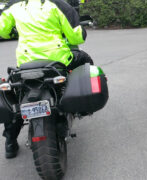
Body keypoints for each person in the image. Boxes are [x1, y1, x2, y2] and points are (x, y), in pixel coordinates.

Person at [0, 0, 93, 158]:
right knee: (86, 61)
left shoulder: (14, 5)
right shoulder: (59, 4)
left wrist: (13, 32)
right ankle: (84, 107)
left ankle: (10, 141)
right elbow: (77, 37)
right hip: (58, 59)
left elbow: (2, 30)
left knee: (17, 95)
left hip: (26, 62)